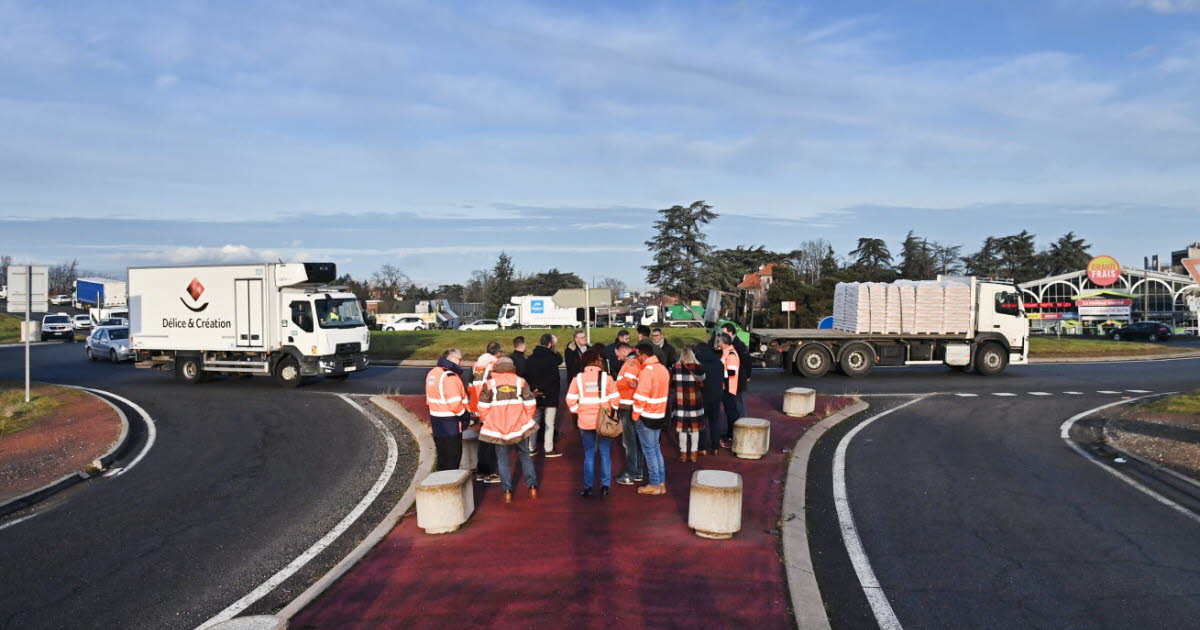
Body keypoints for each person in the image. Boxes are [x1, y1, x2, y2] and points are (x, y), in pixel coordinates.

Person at [478, 357, 540, 503]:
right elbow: (531, 403)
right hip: (519, 426)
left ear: (497, 367)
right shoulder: (521, 382)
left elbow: (483, 407)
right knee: (525, 455)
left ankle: (507, 491)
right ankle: (532, 487)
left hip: (499, 428)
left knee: (502, 459)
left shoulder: (489, 384)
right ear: (512, 367)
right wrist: (525, 419)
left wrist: (490, 421)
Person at [566, 350, 619, 498]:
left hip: (585, 421)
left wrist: (579, 411)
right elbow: (615, 399)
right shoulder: (606, 378)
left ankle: (588, 487)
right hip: (603, 421)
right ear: (597, 361)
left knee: (589, 454)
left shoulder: (578, 379)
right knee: (605, 453)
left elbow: (570, 400)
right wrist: (610, 413)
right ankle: (605, 486)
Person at [632, 341, 669, 495]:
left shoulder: (647, 371)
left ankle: (654, 483)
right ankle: (660, 482)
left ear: (644, 355)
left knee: (649, 452)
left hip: (646, 415)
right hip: (659, 414)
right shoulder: (662, 369)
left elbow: (641, 397)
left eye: (638, 355)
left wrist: (635, 415)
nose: (637, 357)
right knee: (656, 449)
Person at [425, 348, 470, 471]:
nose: (461, 363)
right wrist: (465, 415)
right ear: (451, 359)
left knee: (443, 457)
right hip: (451, 422)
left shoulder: (433, 373)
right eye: (459, 359)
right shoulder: (450, 377)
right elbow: (455, 404)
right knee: (453, 458)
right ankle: (450, 486)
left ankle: (441, 484)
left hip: (436, 419)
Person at [468, 342, 503, 483]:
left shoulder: (478, 365)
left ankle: (481, 472)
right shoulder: (494, 364)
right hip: (489, 407)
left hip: (477, 406)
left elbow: (472, 385)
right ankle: (489, 473)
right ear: (498, 353)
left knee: (483, 441)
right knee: (491, 442)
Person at [525, 333, 563, 457]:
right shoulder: (552, 358)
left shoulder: (530, 358)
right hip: (550, 394)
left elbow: (527, 376)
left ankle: (531, 447)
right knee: (549, 423)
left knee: (534, 422)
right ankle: (548, 448)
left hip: (534, 394)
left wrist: (534, 389)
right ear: (550, 344)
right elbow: (554, 376)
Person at [613, 342, 644, 486]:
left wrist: (612, 385)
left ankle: (630, 473)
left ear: (623, 351)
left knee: (629, 441)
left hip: (628, 405)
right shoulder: (633, 362)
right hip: (630, 404)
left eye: (618, 354)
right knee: (634, 441)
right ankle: (637, 471)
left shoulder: (631, 363)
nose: (618, 358)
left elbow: (630, 382)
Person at [671, 347, 707, 462]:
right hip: (695, 401)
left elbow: (672, 382)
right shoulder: (699, 367)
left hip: (680, 400)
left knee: (682, 429)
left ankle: (683, 453)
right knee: (695, 429)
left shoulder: (675, 367)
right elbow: (702, 379)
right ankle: (693, 453)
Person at [695, 342, 726, 454]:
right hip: (716, 395)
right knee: (715, 421)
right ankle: (715, 446)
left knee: (701, 422)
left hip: (702, 396)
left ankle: (702, 447)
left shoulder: (698, 363)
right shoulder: (719, 363)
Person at [721, 323, 752, 415]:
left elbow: (747, 361)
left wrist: (748, 375)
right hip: (735, 379)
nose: (722, 335)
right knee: (736, 403)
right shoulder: (734, 343)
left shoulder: (738, 345)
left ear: (730, 332)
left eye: (724, 333)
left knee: (739, 403)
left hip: (738, 379)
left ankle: (743, 424)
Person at [718, 333, 742, 447]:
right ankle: (729, 434)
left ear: (724, 343)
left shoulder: (731, 355)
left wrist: (717, 373)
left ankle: (732, 436)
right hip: (727, 387)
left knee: (732, 413)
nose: (718, 343)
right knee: (729, 413)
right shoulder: (727, 353)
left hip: (729, 389)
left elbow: (731, 372)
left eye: (719, 341)